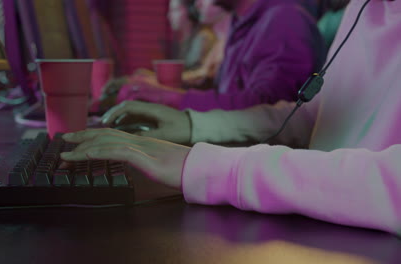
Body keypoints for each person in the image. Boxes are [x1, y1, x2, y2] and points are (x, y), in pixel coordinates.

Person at [60, 0, 401, 234]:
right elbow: (315, 116)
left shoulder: (284, 19)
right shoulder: (364, 8)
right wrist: (193, 125)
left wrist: (215, 166)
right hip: (317, 214)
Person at [114, 0, 326, 111]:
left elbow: (267, 109)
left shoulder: (284, 20)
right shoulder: (239, 21)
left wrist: (169, 97)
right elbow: (228, 92)